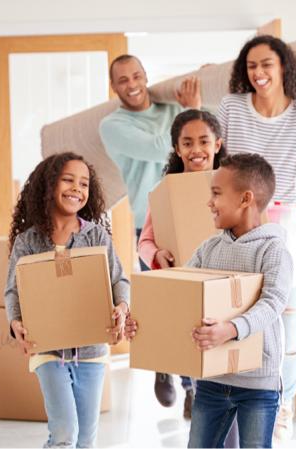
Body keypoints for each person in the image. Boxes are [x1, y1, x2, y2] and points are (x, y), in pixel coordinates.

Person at [126, 153, 293, 448]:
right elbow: (181, 296)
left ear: (245, 199)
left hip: (257, 383)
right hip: (212, 380)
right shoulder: (210, 248)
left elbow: (273, 303)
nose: (209, 202)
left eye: (216, 193)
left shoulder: (273, 250)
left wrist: (230, 329)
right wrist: (143, 323)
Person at [217, 35, 296, 441]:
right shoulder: (231, 107)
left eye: (266, 65)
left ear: (284, 68)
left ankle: (283, 407)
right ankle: (234, 403)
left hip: (287, 228)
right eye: (251, 67)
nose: (258, 74)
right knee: (239, 316)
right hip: (239, 229)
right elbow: (218, 162)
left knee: (287, 328)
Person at [4, 152, 129, 448]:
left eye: (84, 183)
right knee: (64, 433)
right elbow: (13, 290)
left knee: (85, 439)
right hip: (47, 349)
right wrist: (15, 322)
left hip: (92, 353)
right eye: (68, 180)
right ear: (49, 185)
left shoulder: (97, 237)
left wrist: (122, 307)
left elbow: (119, 280)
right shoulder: (29, 241)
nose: (77, 189)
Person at [99, 53, 201, 408]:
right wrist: (190, 111)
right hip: (151, 223)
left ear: (146, 76)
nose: (133, 84)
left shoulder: (171, 109)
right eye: (124, 79)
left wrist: (192, 106)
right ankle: (164, 366)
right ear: (114, 86)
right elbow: (162, 146)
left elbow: (201, 140)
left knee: (194, 306)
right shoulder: (112, 125)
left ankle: (191, 389)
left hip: (190, 215)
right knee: (164, 308)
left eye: (138, 75)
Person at [137, 109, 227, 420]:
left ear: (217, 144)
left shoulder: (231, 186)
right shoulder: (166, 191)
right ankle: (186, 384)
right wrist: (156, 255)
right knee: (188, 336)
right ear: (177, 149)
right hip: (180, 280)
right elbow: (145, 241)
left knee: (209, 340)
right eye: (187, 143)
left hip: (219, 281)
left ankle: (193, 388)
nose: (196, 150)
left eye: (204, 141)